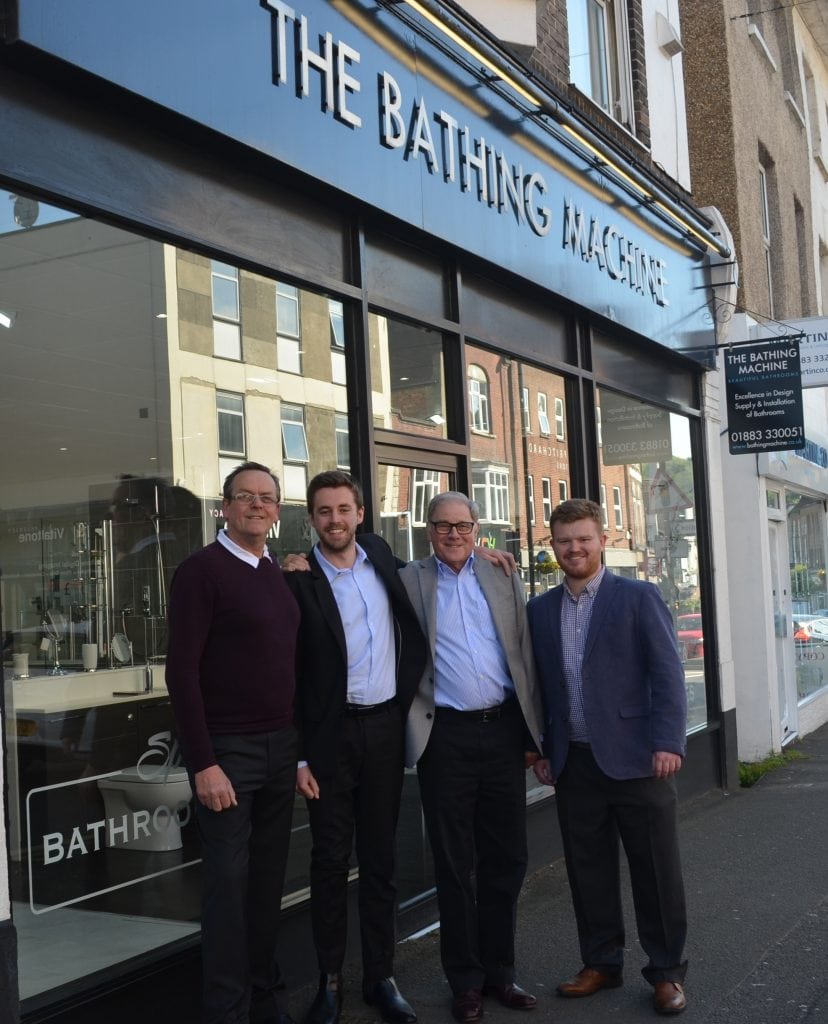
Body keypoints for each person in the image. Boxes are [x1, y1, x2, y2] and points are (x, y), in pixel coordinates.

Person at [526, 498, 688, 1016]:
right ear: (553, 546)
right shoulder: (540, 609)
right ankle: (601, 962)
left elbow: (667, 675)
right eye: (564, 540)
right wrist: (541, 749)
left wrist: (668, 741)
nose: (574, 548)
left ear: (602, 540)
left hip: (639, 759)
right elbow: (540, 688)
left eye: (583, 538)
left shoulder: (637, 597)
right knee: (587, 871)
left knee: (655, 873)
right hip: (574, 763)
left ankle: (665, 972)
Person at [285, 471, 427, 1024]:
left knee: (382, 859)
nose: (336, 520)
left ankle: (380, 977)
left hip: (385, 730)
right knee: (328, 861)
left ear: (361, 514)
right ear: (312, 519)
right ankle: (329, 981)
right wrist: (298, 756)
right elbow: (288, 675)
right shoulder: (296, 579)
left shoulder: (380, 555)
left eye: (344, 509)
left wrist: (483, 555)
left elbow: (433, 574)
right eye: (324, 512)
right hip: (329, 740)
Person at [400, 491, 543, 1024]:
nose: (454, 535)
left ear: (477, 529)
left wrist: (535, 736)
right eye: (443, 526)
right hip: (447, 737)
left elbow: (526, 650)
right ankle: (464, 981)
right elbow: (356, 552)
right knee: (454, 864)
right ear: (428, 529)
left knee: (507, 859)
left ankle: (500, 973)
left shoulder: (502, 574)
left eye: (463, 526)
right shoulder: (410, 579)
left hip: (503, 731)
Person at [165, 461, 300, 1024]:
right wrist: (204, 763)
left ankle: (263, 997)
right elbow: (181, 673)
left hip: (280, 750)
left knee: (268, 885)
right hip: (229, 755)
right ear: (225, 506)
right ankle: (227, 1011)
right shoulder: (201, 571)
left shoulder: (276, 570)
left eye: (267, 498)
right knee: (226, 887)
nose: (257, 505)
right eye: (245, 497)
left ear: (276, 509)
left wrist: (298, 754)